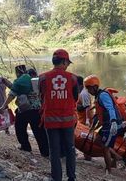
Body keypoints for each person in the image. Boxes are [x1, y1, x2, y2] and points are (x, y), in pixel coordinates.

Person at [39, 49, 78, 181]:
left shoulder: (43, 78)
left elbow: (41, 96)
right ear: (64, 61)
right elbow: (76, 97)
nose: (67, 65)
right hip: (68, 121)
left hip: (50, 121)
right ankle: (71, 177)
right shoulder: (73, 78)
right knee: (70, 149)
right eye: (67, 62)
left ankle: (57, 178)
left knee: (54, 152)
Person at [0, 65, 49, 157]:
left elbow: (12, 94)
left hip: (25, 110)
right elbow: (17, 88)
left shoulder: (21, 81)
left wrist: (3, 106)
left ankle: (25, 147)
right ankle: (45, 152)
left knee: (20, 129)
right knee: (39, 132)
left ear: (17, 72)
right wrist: (7, 82)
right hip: (37, 109)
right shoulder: (31, 80)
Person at [84, 75, 123, 174]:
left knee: (105, 147)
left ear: (95, 87)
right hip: (106, 125)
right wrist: (94, 125)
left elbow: (110, 108)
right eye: (87, 88)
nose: (88, 91)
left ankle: (108, 169)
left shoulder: (103, 95)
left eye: (89, 88)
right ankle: (115, 158)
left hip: (111, 125)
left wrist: (113, 121)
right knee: (98, 139)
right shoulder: (98, 96)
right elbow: (99, 113)